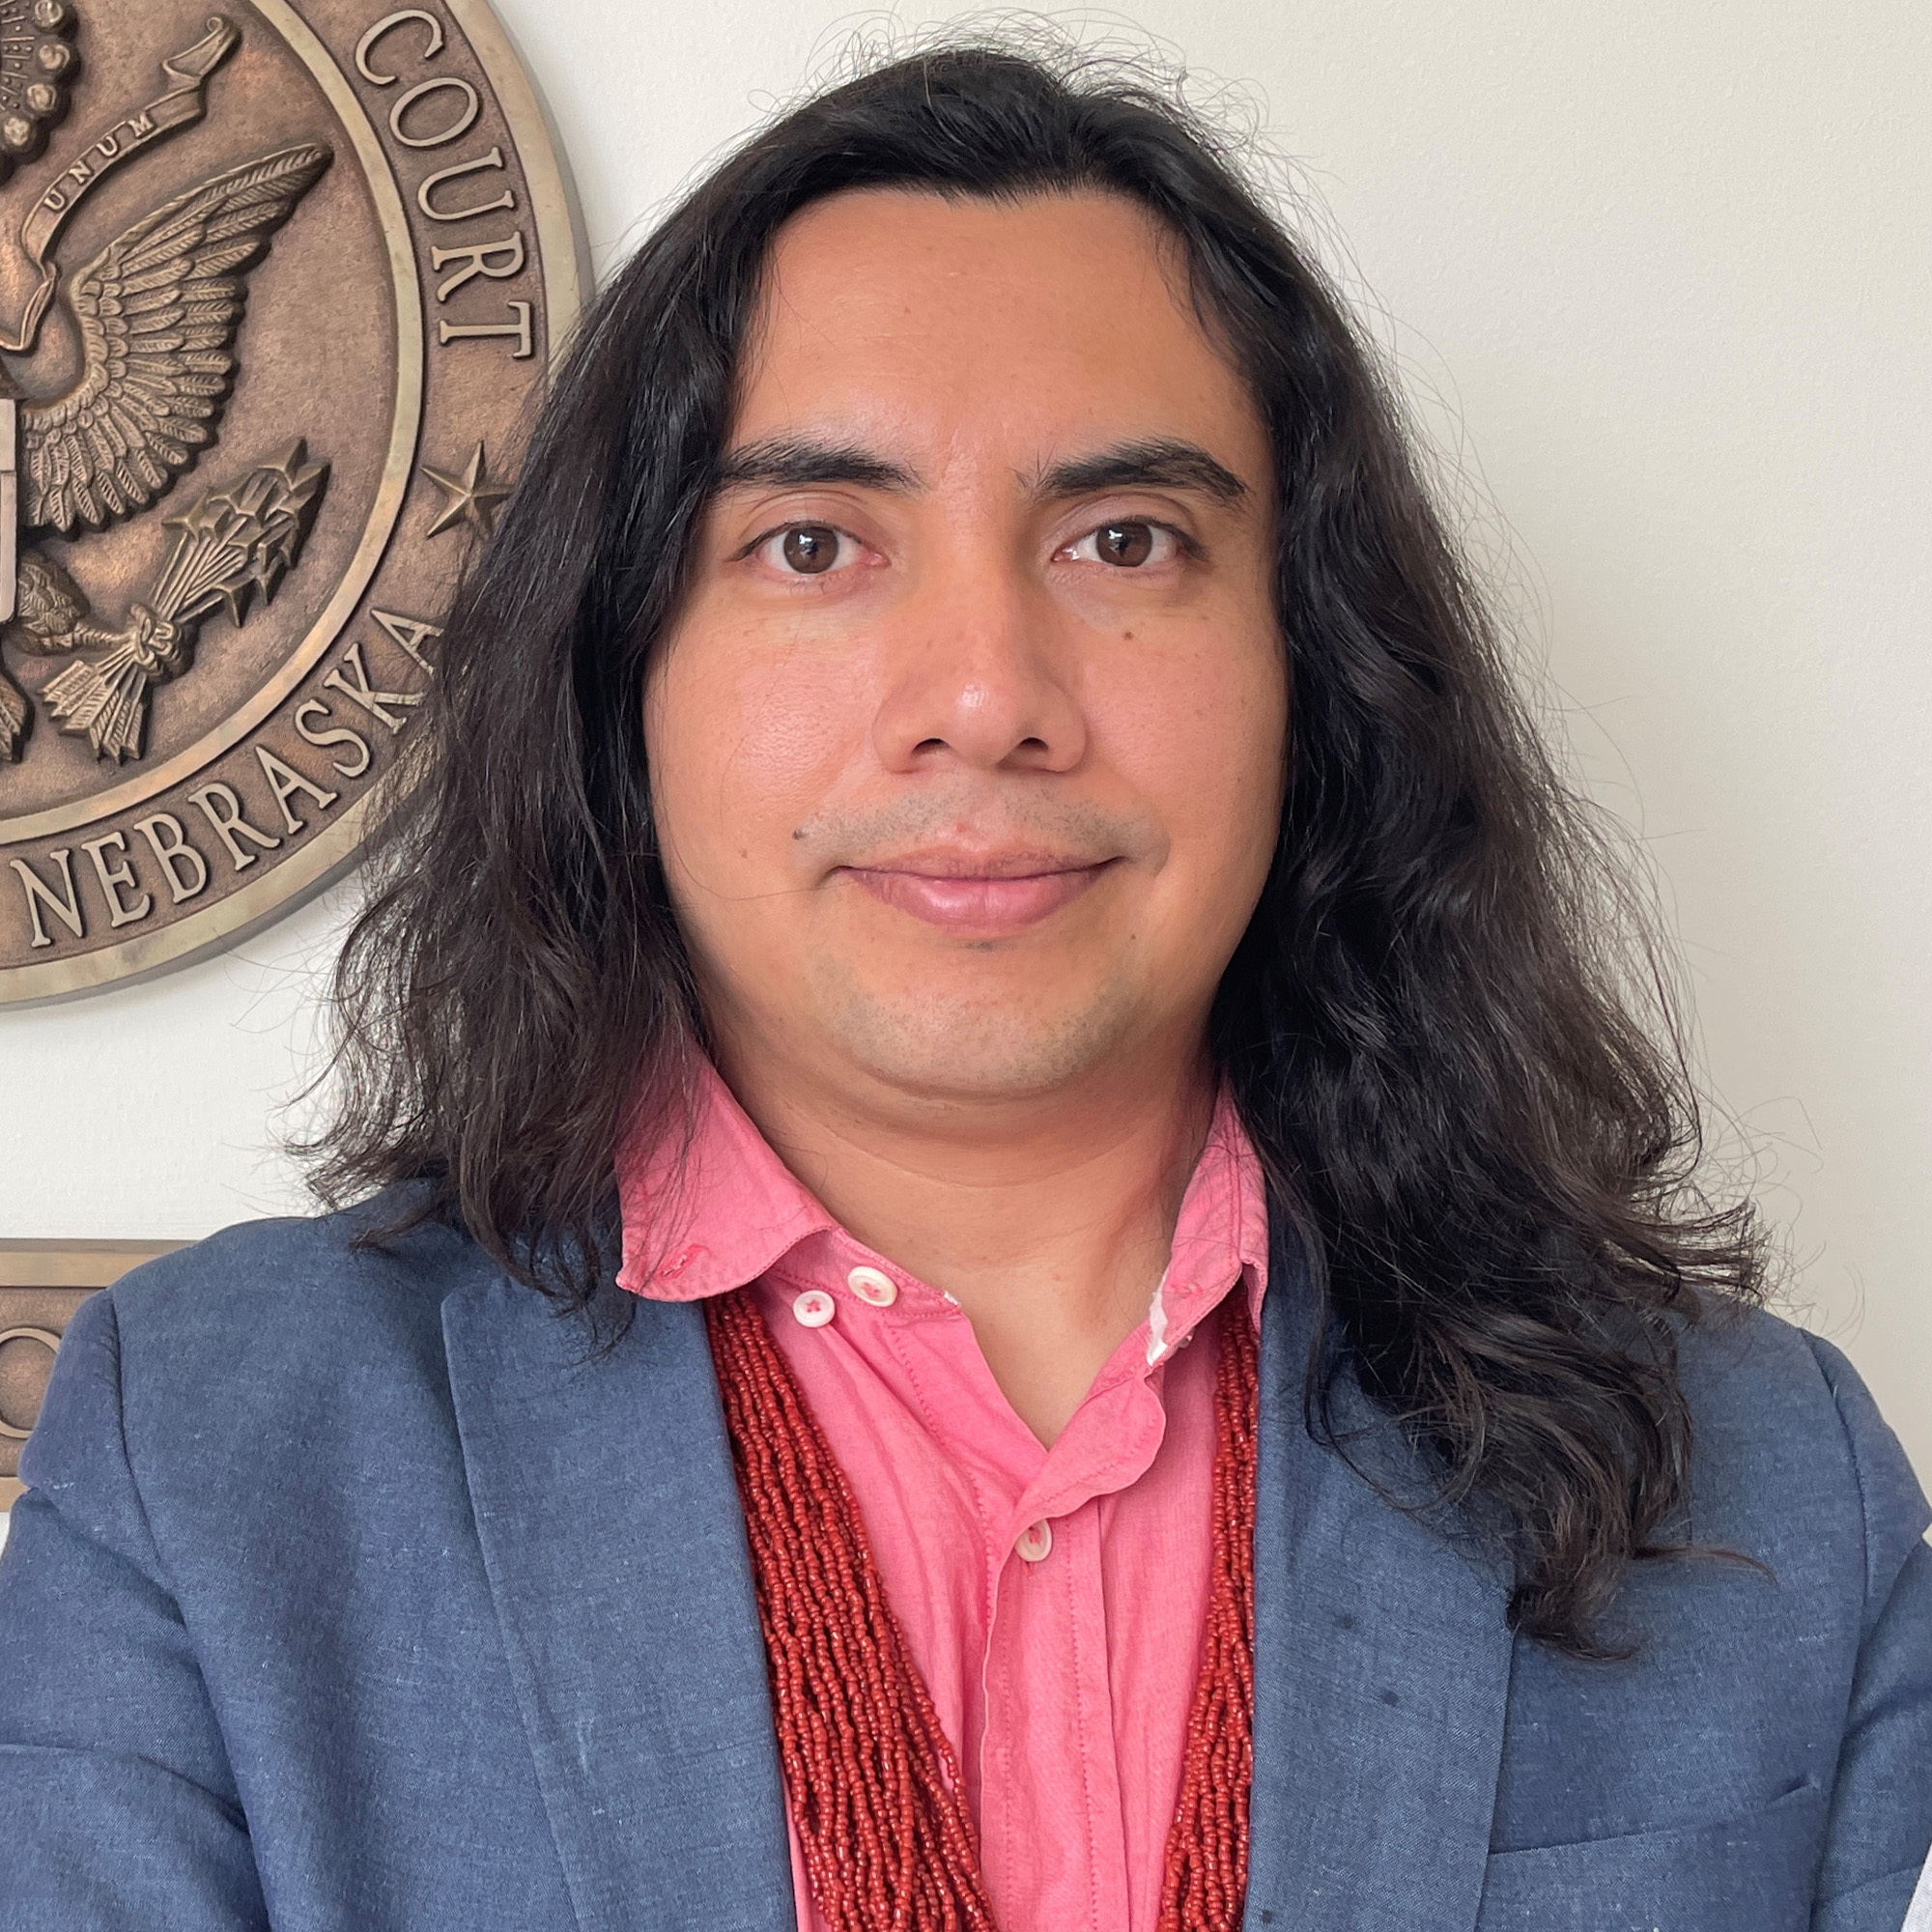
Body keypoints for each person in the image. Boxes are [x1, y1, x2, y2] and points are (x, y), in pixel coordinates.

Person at [1, 40, 1927, 1932]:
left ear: (1312, 667)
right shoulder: (218, 1463)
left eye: (1124, 539)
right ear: (620, 674)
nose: (988, 694)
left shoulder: (1770, 1485)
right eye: (815, 543)